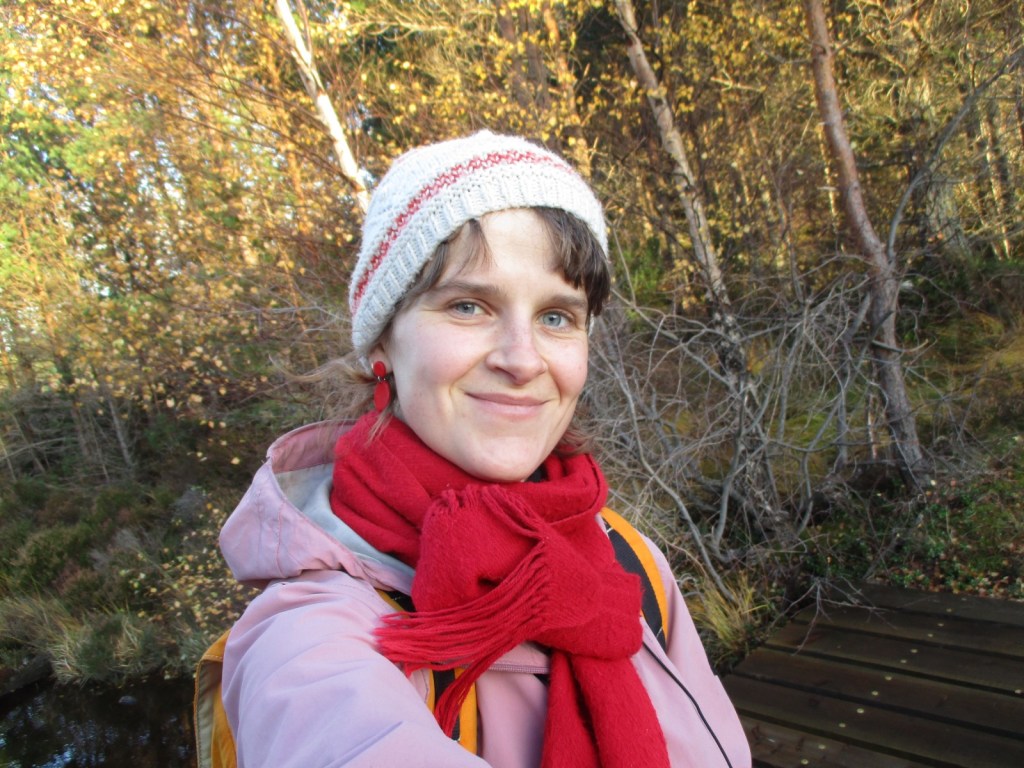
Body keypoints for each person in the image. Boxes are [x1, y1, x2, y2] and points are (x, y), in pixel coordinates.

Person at [215, 131, 751, 767]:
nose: (522, 360)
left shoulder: (627, 557)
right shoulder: (310, 640)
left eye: (556, 317)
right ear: (382, 342)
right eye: (468, 306)